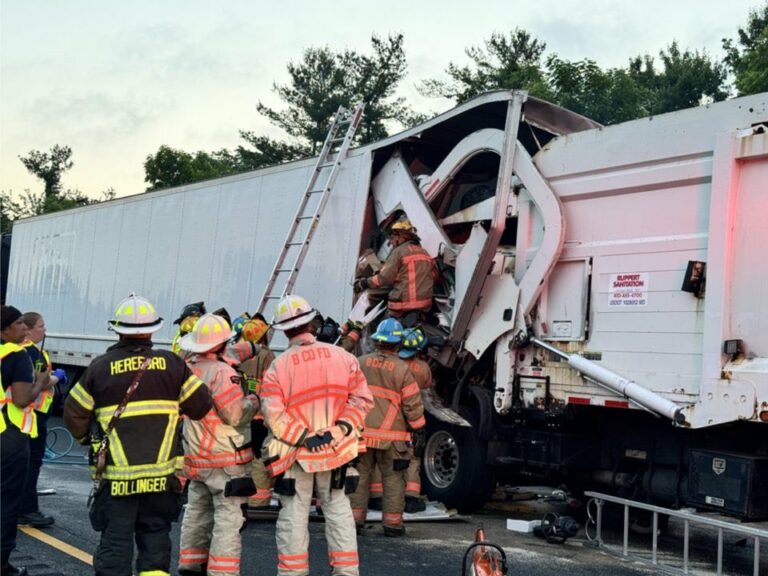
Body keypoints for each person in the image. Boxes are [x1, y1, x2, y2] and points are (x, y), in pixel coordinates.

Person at [64, 294, 212, 576]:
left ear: (118, 329)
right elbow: (201, 406)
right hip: (161, 477)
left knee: (116, 541)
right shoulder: (173, 364)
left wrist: (91, 440)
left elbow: (74, 415)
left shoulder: (99, 367)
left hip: (118, 478)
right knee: (155, 538)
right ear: (153, 330)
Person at [260, 295, 373, 576]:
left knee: (294, 515)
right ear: (313, 322)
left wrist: (304, 436)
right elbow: (361, 401)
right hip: (337, 452)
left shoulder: (278, 367)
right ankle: (347, 572)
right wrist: (340, 429)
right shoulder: (343, 358)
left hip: (296, 454)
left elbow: (273, 415)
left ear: (285, 330)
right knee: (338, 511)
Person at [178, 314, 259, 576]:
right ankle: (221, 572)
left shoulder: (187, 366)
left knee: (197, 511)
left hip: (195, 455)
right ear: (223, 343)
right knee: (228, 518)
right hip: (223, 458)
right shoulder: (223, 373)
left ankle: (190, 563)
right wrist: (255, 401)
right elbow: (234, 415)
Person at [350, 318, 426, 537]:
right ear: (397, 343)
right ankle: (392, 525)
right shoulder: (402, 369)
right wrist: (419, 428)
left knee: (360, 477)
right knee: (393, 480)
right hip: (393, 439)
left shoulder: (360, 362)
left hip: (361, 434)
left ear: (377, 341)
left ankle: (355, 521)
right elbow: (412, 404)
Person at [1, 306, 51, 576]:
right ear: (6, 329)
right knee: (7, 502)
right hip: (9, 436)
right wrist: (41, 383)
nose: (24, 328)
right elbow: (21, 399)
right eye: (19, 323)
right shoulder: (17, 355)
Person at [367, 327, 432, 514]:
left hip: (385, 418)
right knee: (412, 459)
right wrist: (419, 427)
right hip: (408, 420)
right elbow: (425, 388)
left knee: (379, 461)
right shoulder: (422, 369)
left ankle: (377, 496)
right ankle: (411, 497)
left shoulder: (389, 365)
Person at [18, 312, 68, 527]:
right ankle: (27, 510)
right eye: (40, 326)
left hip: (29, 415)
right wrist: (57, 377)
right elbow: (39, 381)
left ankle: (21, 507)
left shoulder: (28, 350)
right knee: (31, 464)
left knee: (23, 464)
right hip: (32, 416)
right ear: (27, 329)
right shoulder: (30, 352)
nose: (44, 330)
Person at [353, 218, 436, 325]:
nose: (391, 242)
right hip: (424, 306)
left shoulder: (399, 252)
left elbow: (384, 278)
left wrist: (364, 283)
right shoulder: (425, 253)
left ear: (401, 237)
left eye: (392, 238)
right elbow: (433, 276)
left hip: (402, 307)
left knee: (377, 322)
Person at [235, 315, 278, 511]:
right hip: (260, 414)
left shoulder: (239, 354)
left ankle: (242, 495)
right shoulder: (266, 355)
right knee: (260, 457)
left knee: (243, 454)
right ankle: (258, 499)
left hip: (242, 413)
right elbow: (272, 385)